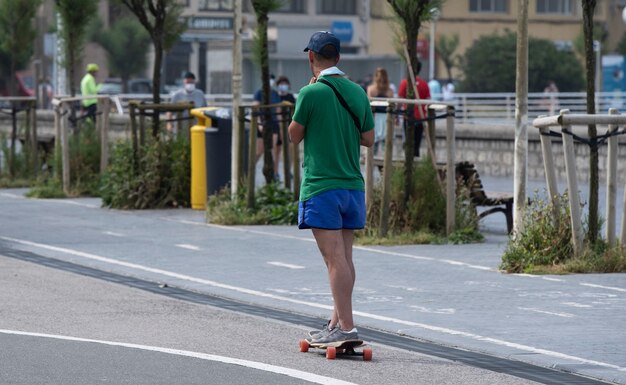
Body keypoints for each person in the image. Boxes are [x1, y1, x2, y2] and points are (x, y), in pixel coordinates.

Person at [288, 31, 375, 345]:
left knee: (333, 261)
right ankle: (336, 323)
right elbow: (368, 139)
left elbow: (293, 135)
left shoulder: (310, 93)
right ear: (338, 57)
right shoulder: (357, 92)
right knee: (346, 259)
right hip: (352, 187)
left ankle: (347, 329)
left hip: (322, 186)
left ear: (311, 57)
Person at [398, 61, 431, 158]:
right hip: (421, 118)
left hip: (408, 117)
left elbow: (400, 100)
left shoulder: (405, 83)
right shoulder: (424, 84)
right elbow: (428, 101)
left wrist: (396, 114)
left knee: (408, 142)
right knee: (417, 143)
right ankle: (415, 159)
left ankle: (408, 162)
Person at [253, 75, 282, 180]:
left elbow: (278, 111)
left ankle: (273, 174)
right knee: (259, 151)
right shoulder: (259, 93)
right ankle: (249, 170)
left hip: (273, 124)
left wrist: (281, 129)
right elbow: (255, 109)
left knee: (272, 150)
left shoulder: (275, 94)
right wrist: (259, 124)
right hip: (262, 125)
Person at [366, 67, 394, 154]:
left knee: (373, 143)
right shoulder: (390, 91)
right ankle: (385, 162)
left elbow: (368, 104)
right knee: (385, 143)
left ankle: (371, 160)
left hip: (375, 117)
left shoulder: (371, 89)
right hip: (386, 117)